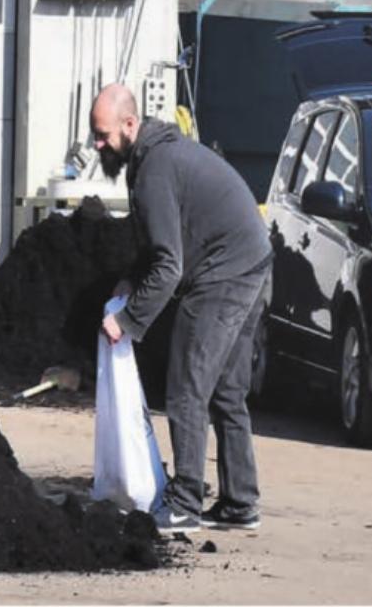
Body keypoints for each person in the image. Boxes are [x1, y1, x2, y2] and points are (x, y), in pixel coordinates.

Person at [91, 83, 271, 535]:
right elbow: (161, 241)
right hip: (254, 260)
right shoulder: (157, 156)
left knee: (186, 387)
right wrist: (132, 280)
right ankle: (240, 503)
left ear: (130, 125)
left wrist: (128, 322)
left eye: (103, 134)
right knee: (227, 392)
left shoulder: (155, 168)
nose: (97, 144)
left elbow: (169, 266)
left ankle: (186, 501)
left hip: (224, 274)